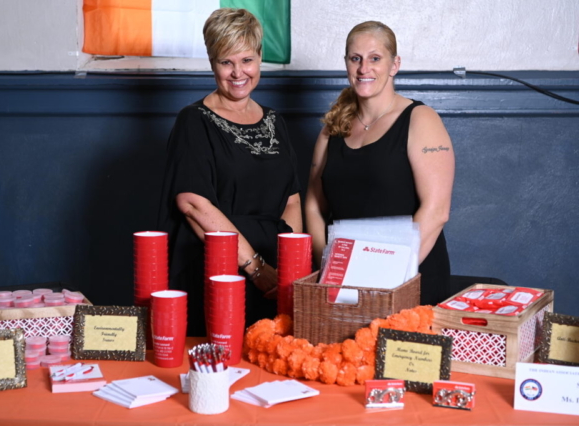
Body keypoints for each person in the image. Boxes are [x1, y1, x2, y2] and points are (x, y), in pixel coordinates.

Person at [157, 8, 302, 336]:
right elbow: (193, 205)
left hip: (276, 275)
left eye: (247, 60)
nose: (238, 73)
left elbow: (292, 199)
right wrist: (256, 268)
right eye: (226, 62)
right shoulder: (193, 120)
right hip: (220, 272)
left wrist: (287, 268)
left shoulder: (275, 120)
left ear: (260, 58)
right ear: (212, 63)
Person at [305, 21, 455, 306]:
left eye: (375, 58)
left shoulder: (421, 119)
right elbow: (313, 206)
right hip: (346, 285)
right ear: (346, 63)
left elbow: (437, 212)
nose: (364, 68)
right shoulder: (332, 128)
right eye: (355, 58)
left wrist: (387, 278)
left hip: (409, 281)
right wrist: (330, 268)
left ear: (394, 65)